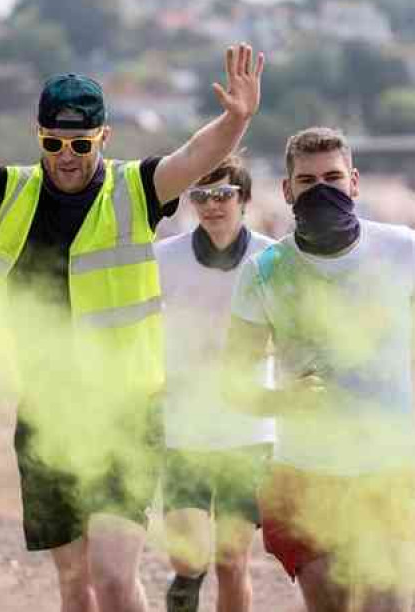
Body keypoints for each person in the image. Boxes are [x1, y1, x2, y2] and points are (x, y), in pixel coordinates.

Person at [0, 43, 264, 612]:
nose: (67, 156)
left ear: (102, 137)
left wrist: (237, 118)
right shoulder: (13, 193)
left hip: (125, 412)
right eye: (54, 143)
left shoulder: (137, 189)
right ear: (39, 136)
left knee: (110, 576)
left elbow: (195, 157)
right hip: (48, 412)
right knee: (74, 584)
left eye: (80, 143)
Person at [222, 127, 415, 612]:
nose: (322, 190)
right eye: (308, 180)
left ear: (354, 183)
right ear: (287, 190)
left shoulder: (404, 250)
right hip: (304, 475)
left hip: (388, 468)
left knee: (386, 603)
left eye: (333, 178)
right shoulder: (265, 270)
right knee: (332, 603)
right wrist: (281, 401)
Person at [153, 152, 274, 612]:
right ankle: (187, 582)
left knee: (232, 559)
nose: (212, 204)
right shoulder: (165, 257)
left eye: (222, 194)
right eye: (201, 195)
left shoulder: (271, 259)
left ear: (243, 198)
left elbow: (298, 330)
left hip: (250, 429)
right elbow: (138, 327)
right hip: (184, 427)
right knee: (189, 558)